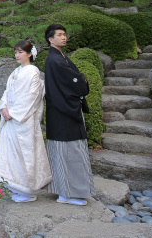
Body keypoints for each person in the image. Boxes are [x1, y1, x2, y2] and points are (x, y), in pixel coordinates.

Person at [0, 39, 52, 203]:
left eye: (20, 52)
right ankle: (15, 186)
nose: (17, 55)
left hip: (23, 120)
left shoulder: (33, 71)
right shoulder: (15, 72)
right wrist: (5, 108)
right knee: (9, 152)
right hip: (11, 118)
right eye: (16, 52)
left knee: (23, 153)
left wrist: (13, 113)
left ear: (29, 54)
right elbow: (7, 93)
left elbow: (32, 97)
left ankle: (27, 190)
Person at [43, 23, 95, 206]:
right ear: (51, 39)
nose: (63, 37)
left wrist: (80, 80)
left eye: (64, 34)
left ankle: (66, 191)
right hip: (63, 113)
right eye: (59, 35)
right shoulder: (55, 60)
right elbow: (78, 80)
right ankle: (66, 193)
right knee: (67, 153)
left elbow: (77, 79)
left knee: (67, 153)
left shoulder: (60, 58)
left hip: (62, 111)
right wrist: (82, 80)